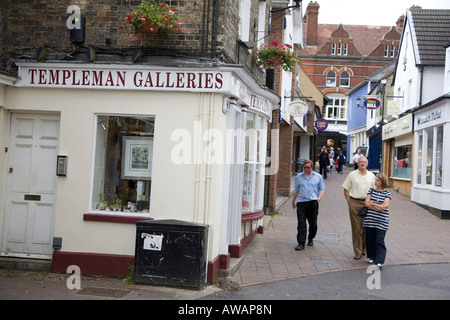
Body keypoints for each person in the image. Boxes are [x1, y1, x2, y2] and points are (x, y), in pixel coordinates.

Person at [342, 156, 375, 260]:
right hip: (354, 202)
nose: (362, 163)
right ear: (357, 163)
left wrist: (372, 203)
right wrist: (349, 202)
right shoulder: (352, 175)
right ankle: (357, 251)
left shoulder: (372, 176)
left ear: (367, 163)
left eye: (364, 162)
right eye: (360, 162)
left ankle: (364, 246)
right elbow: (346, 189)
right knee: (356, 228)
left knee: (366, 227)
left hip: (367, 203)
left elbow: (375, 190)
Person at [292, 160, 326, 251]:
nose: (307, 169)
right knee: (301, 223)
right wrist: (293, 201)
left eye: (308, 167)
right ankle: (301, 243)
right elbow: (296, 190)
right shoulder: (299, 177)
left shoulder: (318, 177)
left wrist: (319, 198)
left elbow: (322, 189)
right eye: (305, 167)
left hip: (313, 202)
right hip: (302, 202)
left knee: (313, 223)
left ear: (312, 167)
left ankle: (311, 237)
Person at [364, 173, 391, 270]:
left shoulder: (387, 193)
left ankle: (379, 260)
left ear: (382, 182)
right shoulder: (371, 190)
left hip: (382, 221)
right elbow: (366, 204)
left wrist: (373, 204)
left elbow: (385, 206)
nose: (375, 182)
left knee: (380, 240)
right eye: (375, 180)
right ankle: (372, 256)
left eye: (377, 180)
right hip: (370, 220)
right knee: (370, 239)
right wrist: (378, 205)